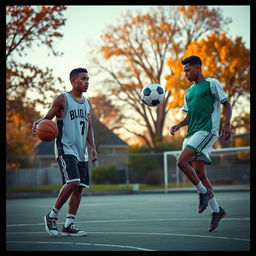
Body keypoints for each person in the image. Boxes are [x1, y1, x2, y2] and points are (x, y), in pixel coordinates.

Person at [32, 68, 97, 237]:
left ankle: (69, 225)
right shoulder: (63, 99)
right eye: (83, 79)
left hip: (81, 151)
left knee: (79, 188)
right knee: (73, 182)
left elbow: (89, 127)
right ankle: (52, 215)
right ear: (73, 81)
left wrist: (93, 148)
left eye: (88, 79)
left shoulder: (88, 103)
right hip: (65, 148)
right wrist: (38, 124)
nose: (87, 82)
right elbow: (47, 119)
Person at [170, 56, 232, 232]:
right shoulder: (188, 92)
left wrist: (227, 124)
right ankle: (217, 211)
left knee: (181, 162)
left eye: (188, 70)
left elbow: (227, 104)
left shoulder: (212, 83)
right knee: (199, 173)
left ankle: (204, 193)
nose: (185, 74)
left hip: (207, 131)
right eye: (184, 71)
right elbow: (189, 116)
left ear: (197, 68)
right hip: (191, 134)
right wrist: (179, 125)